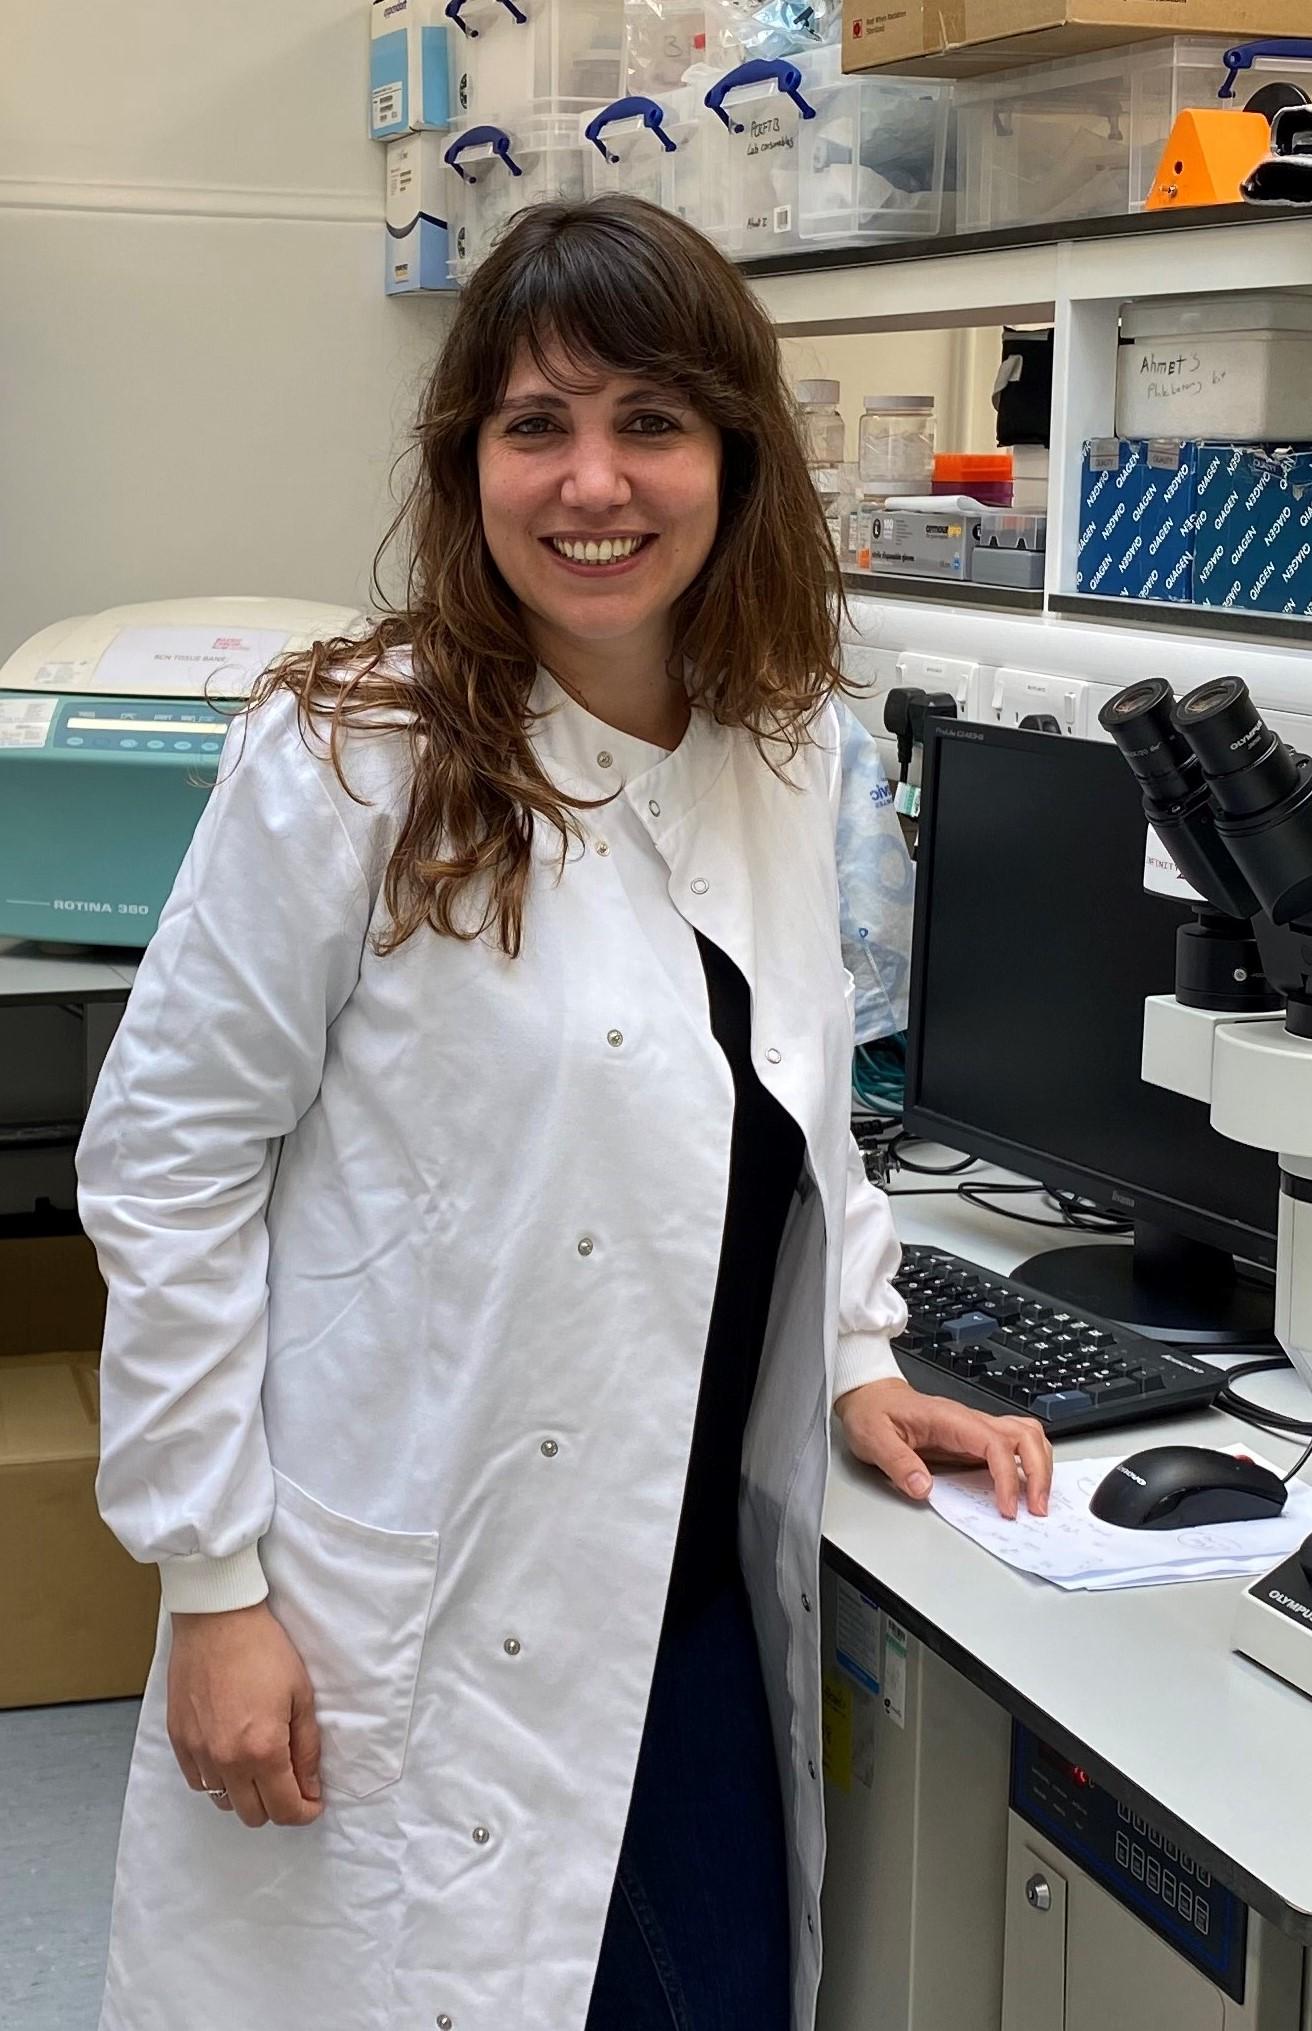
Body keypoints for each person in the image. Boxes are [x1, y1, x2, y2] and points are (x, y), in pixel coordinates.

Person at [77, 195, 1052, 2031]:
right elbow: (168, 1164)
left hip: (677, 1595)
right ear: (469, 467)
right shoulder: (349, 750)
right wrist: (214, 1586)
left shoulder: (783, 742)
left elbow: (801, 1101)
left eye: (649, 424)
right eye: (537, 427)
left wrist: (854, 1350)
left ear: (731, 458)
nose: (591, 482)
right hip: (406, 1597)